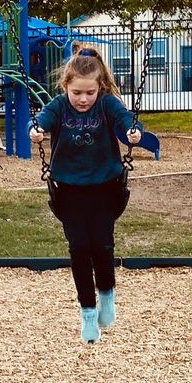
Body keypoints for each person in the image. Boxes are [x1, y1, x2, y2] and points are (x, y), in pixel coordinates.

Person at [30, 46, 142, 344]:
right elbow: (42, 118)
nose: (83, 99)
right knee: (79, 249)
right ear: (66, 85)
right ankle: (88, 314)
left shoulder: (107, 104)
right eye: (77, 92)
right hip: (69, 189)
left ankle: (107, 296)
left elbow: (126, 120)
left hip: (105, 187)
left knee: (103, 246)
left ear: (100, 86)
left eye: (89, 92)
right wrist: (37, 129)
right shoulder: (58, 105)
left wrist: (134, 133)